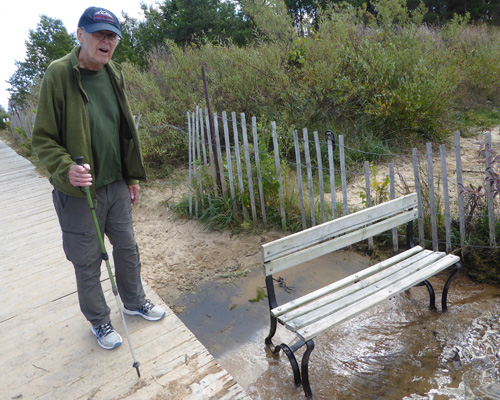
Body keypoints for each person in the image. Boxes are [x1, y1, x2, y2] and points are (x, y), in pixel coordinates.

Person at [32, 6, 165, 351]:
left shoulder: (113, 72)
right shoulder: (58, 73)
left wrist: (132, 175)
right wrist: (67, 169)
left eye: (111, 36)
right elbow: (43, 139)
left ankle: (134, 302)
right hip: (79, 194)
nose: (106, 42)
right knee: (88, 259)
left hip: (116, 183)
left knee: (127, 247)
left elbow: (122, 128)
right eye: (98, 34)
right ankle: (99, 320)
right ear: (80, 35)